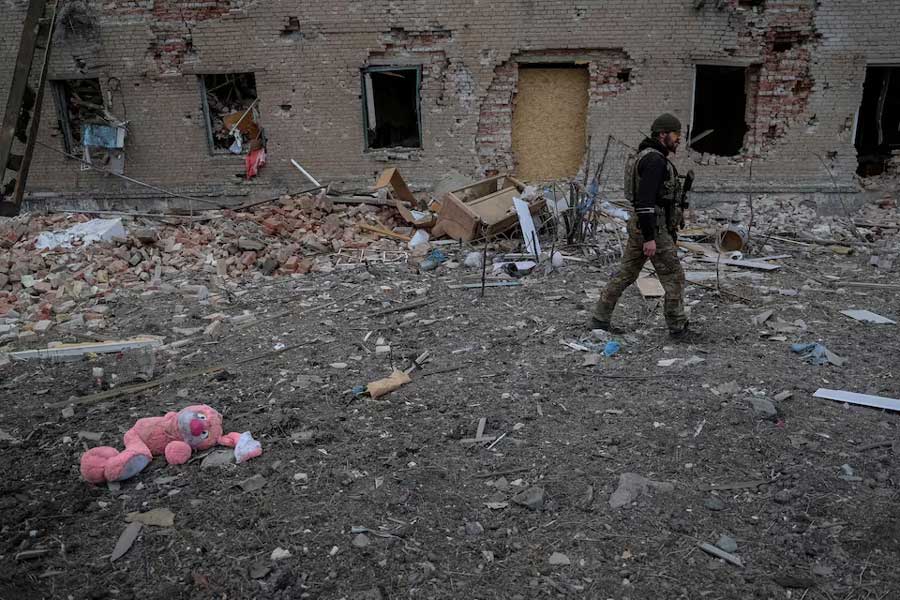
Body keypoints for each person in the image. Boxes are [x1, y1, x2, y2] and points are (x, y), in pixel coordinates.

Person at [591, 113, 692, 339]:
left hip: (643, 225)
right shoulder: (655, 160)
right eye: (676, 134)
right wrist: (650, 238)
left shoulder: (645, 156)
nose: (679, 140)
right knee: (674, 276)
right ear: (663, 134)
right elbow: (646, 202)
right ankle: (678, 328)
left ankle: (599, 319)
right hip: (652, 228)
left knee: (626, 273)